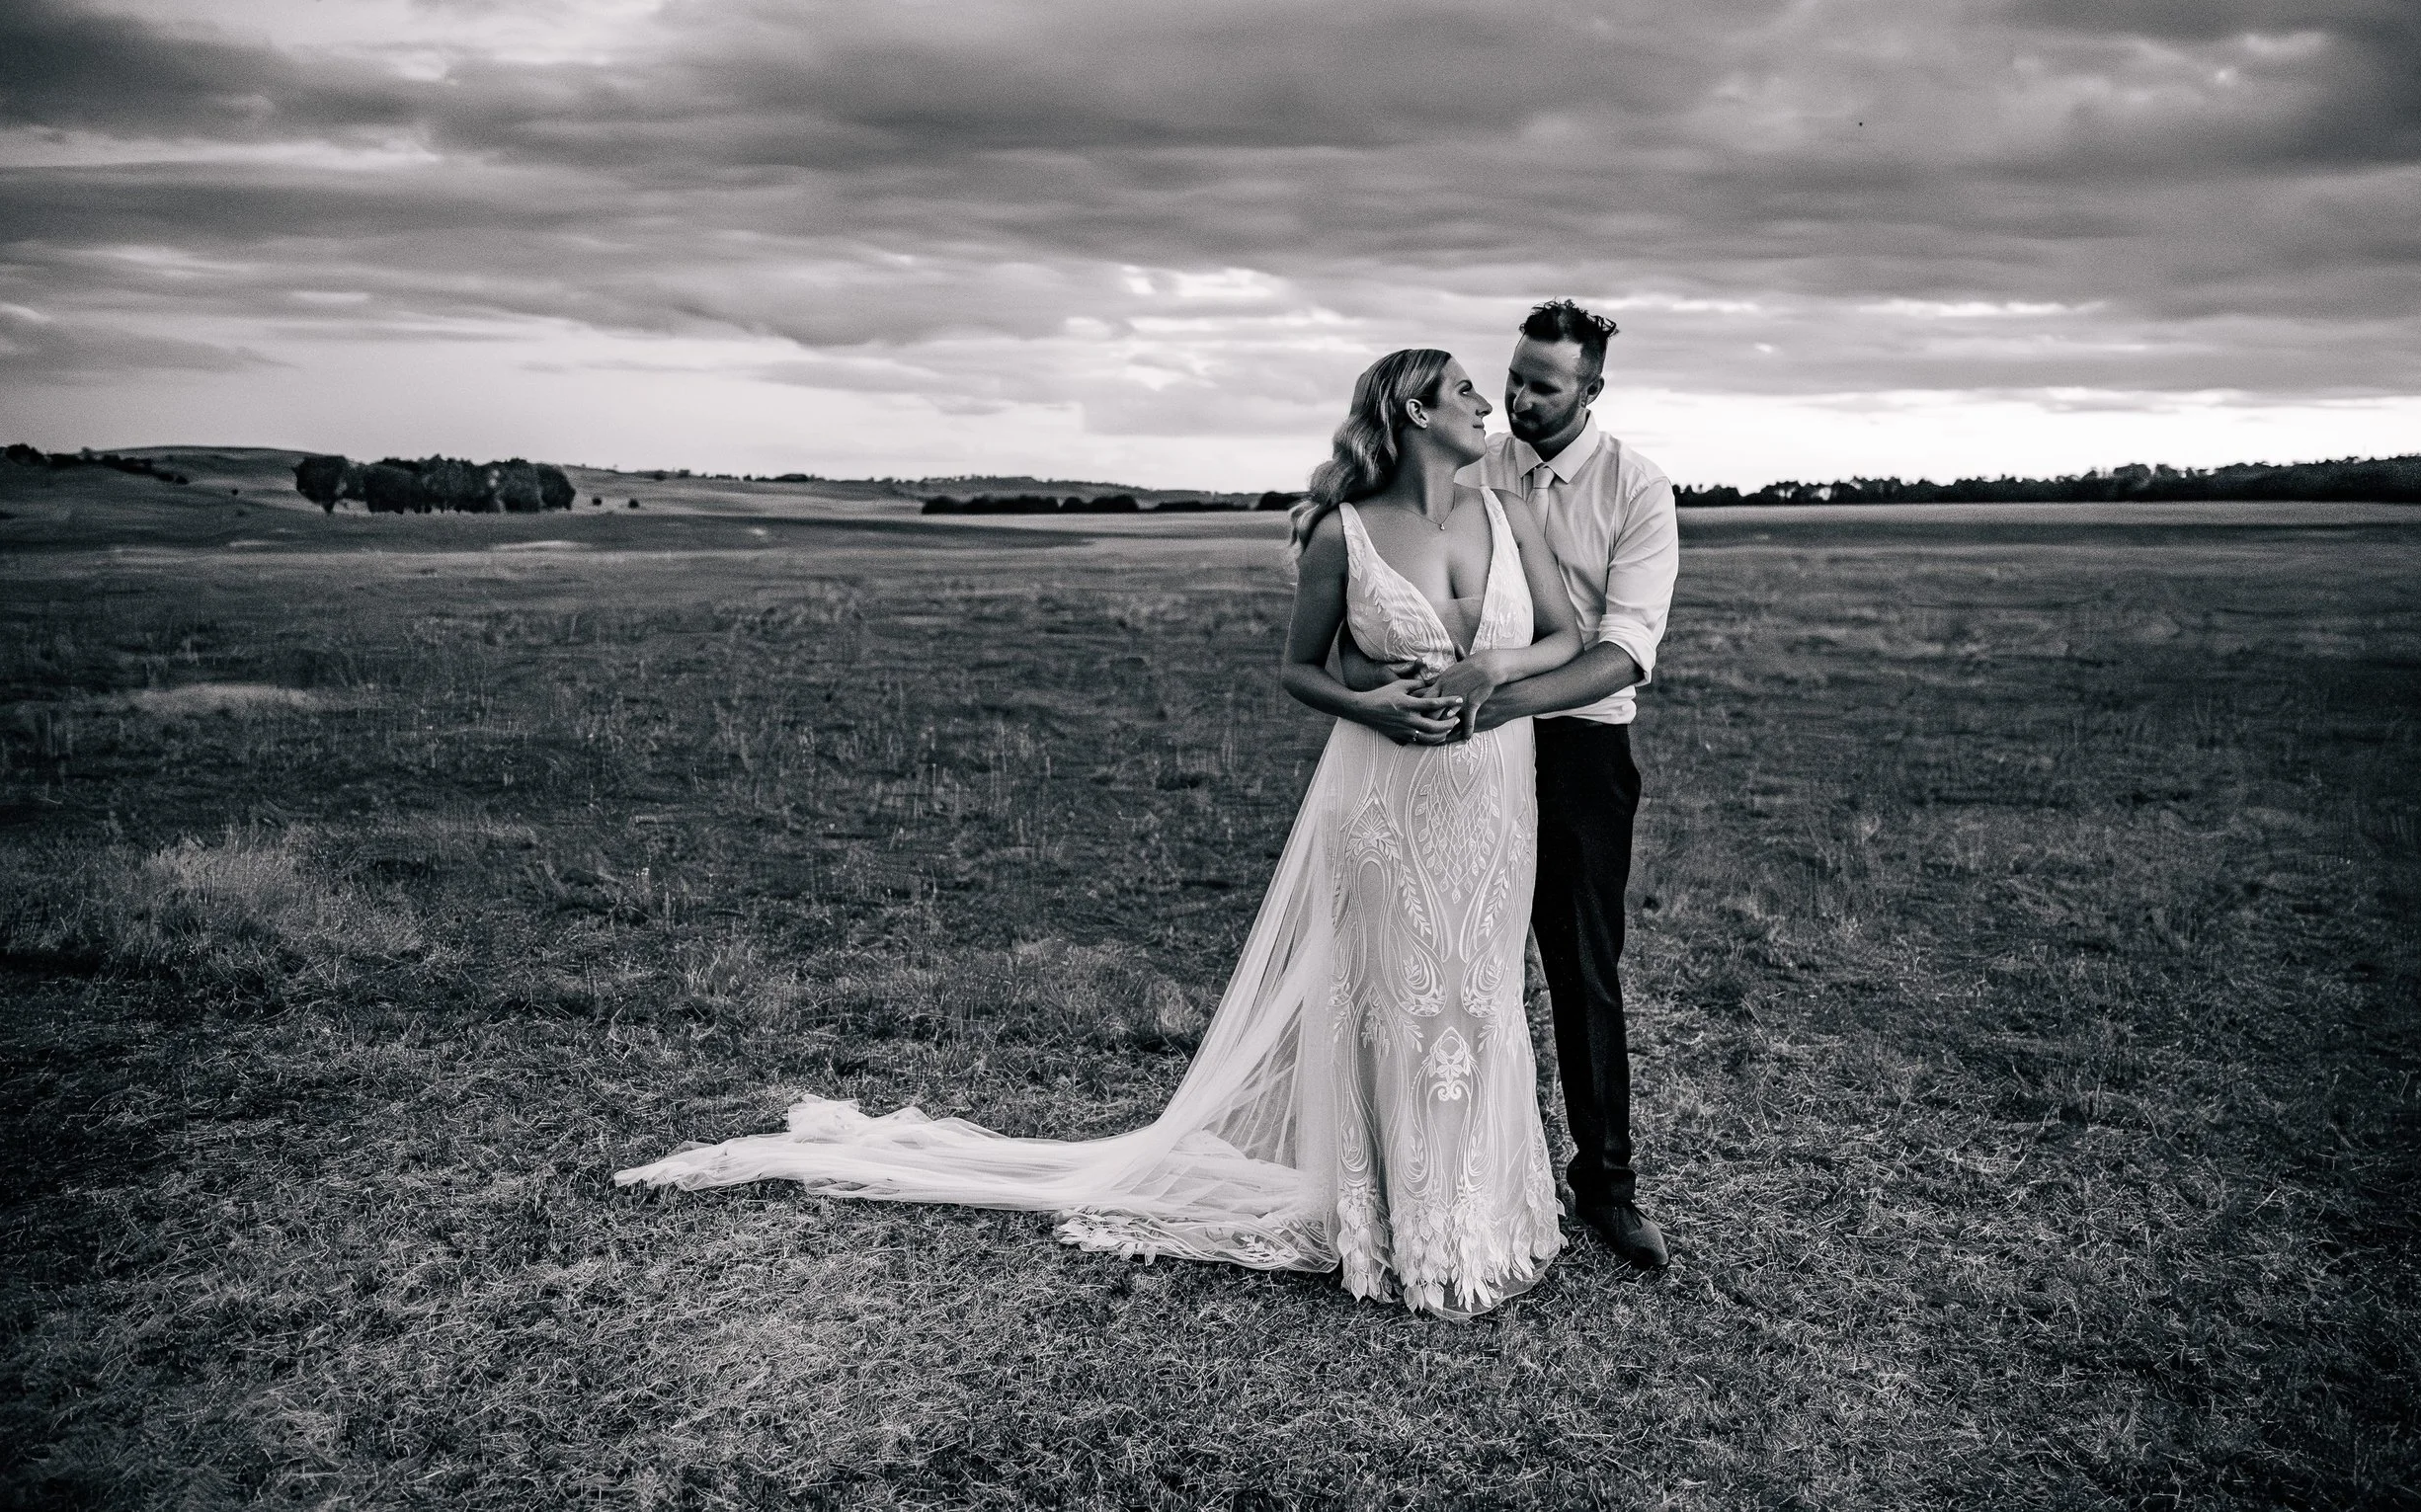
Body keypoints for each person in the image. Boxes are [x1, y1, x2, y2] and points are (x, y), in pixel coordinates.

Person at [619, 347, 1592, 1320]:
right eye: (1465, 388)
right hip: (1381, 800)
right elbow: (1301, 670)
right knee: (1394, 999)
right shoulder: (1343, 535)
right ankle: (1398, 1230)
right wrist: (1371, 706)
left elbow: (1566, 639)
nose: (1484, 403)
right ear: (1415, 409)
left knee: (1478, 994)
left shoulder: (1506, 513)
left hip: (1492, 796)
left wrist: (1494, 666)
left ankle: (1488, 1213)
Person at [1407, 299, 1681, 1272]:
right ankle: (1438, 1168)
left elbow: (1622, 654)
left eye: (1543, 384)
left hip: (1577, 748)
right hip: (1469, 742)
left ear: (1592, 389)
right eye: (1513, 375)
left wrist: (1508, 696)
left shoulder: (1636, 488)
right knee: (1443, 948)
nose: (1517, 396)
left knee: (1579, 965)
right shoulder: (1475, 464)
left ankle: (1606, 1186)